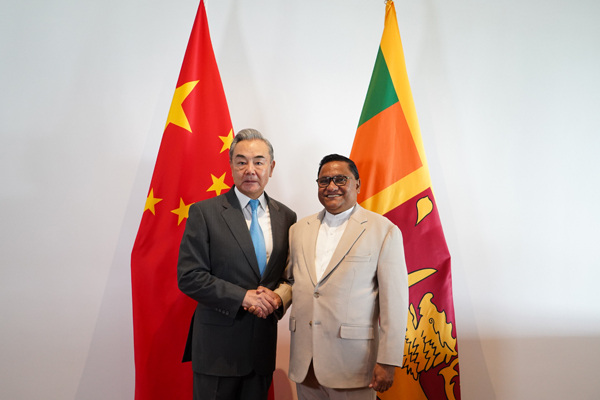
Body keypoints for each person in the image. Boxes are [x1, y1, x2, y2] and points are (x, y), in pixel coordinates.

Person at [177, 129, 297, 400]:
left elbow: (290, 276)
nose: (250, 170)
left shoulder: (287, 217)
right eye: (241, 162)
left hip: (262, 350)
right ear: (231, 166)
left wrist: (278, 298)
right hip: (217, 351)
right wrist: (243, 297)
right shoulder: (204, 212)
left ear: (271, 167)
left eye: (258, 161)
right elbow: (190, 276)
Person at [281, 154, 409, 400]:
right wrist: (273, 300)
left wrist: (388, 360)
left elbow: (395, 302)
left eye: (340, 179)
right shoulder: (298, 230)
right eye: (324, 181)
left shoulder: (383, 230)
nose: (331, 186)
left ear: (357, 184)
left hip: (354, 364)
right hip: (305, 363)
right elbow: (292, 281)